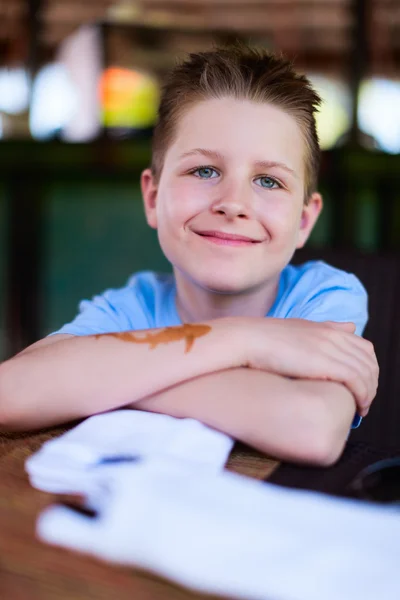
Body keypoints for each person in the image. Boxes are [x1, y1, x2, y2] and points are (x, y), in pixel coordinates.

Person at [0, 44, 378, 466]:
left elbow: (312, 429)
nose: (233, 203)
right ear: (152, 197)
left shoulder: (325, 295)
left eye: (269, 181)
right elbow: (10, 393)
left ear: (305, 220)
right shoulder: (134, 303)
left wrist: (109, 380)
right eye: (205, 171)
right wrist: (250, 340)